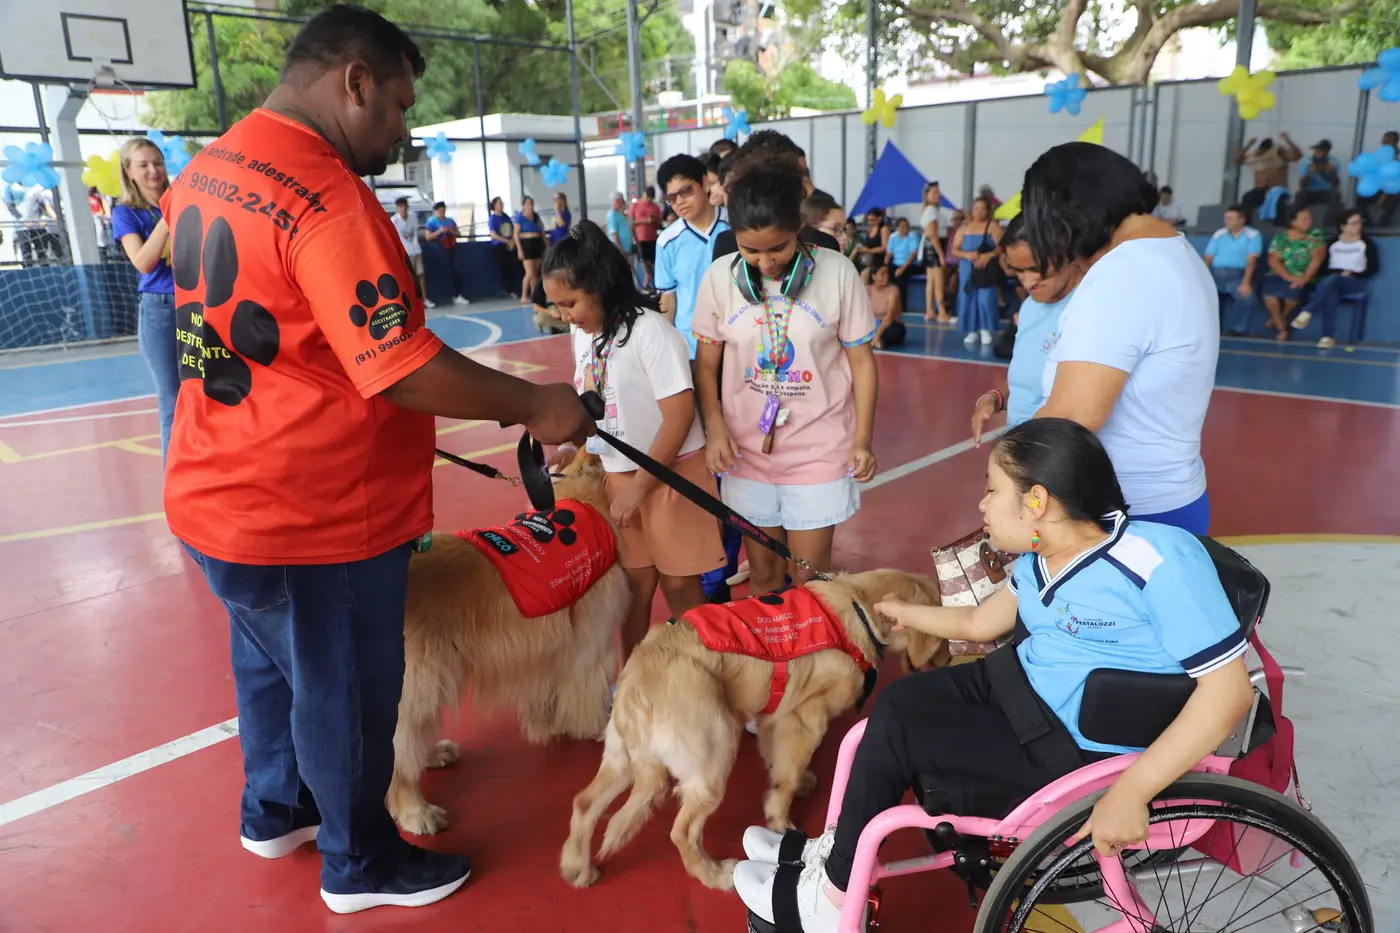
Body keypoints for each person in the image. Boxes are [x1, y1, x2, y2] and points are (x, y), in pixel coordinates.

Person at [160, 6, 593, 914]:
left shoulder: (214, 161)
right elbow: (399, 365)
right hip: (313, 512)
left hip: (214, 491)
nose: (400, 132)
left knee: (271, 666)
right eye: (396, 107)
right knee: (347, 691)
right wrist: (534, 402)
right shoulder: (325, 195)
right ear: (354, 82)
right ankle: (360, 860)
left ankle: (276, 806)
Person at [731, 418, 1255, 933]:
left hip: (1073, 745)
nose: (982, 504)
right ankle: (841, 850)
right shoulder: (1040, 557)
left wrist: (1132, 792)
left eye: (992, 489)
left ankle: (834, 896)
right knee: (897, 703)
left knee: (902, 734)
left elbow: (1228, 692)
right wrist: (905, 612)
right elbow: (979, 623)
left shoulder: (1160, 561)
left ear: (1037, 501)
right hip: (1021, 688)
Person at [692, 160, 878, 594]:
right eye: (750, 251)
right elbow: (706, 364)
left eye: (778, 248)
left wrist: (862, 438)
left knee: (811, 580)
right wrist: (715, 427)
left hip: (819, 451)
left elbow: (862, 362)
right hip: (744, 454)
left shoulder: (837, 272)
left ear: (799, 228)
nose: (765, 263)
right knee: (763, 577)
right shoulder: (719, 278)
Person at [543, 221, 726, 660]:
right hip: (620, 480)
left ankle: (704, 674)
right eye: (557, 306)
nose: (564, 315)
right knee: (633, 588)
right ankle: (631, 682)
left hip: (671, 477)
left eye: (570, 303)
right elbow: (596, 405)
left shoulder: (651, 331)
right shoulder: (584, 336)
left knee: (681, 587)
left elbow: (679, 416)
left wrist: (642, 487)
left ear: (600, 287)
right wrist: (575, 448)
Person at [1025, 142, 1216, 533]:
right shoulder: (1175, 253)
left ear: (1067, 218)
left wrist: (1008, 480)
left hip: (1124, 515)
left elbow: (1073, 415)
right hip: (1169, 500)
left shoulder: (1125, 272)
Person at [970, 214, 1080, 445]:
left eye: (1036, 269)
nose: (1028, 282)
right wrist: (994, 399)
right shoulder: (1030, 306)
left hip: (1054, 448)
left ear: (1067, 253)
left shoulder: (1087, 309)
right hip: (1022, 446)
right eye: (1018, 271)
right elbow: (1024, 378)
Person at [112, 136, 178, 461]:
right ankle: (174, 480)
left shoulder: (187, 199)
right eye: (144, 165)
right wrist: (169, 217)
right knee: (173, 400)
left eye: (158, 162)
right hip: (160, 310)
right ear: (129, 172)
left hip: (198, 306)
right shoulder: (125, 213)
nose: (153, 170)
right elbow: (142, 261)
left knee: (208, 395)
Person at [655, 153, 728, 356]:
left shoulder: (735, 226)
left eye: (685, 191)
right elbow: (667, 299)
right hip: (691, 345)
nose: (679, 202)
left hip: (735, 338)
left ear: (704, 183)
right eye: (672, 198)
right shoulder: (667, 241)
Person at [1290, 209, 1380, 348]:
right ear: (1343, 226)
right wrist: (1337, 273)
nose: (1358, 226)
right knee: (1330, 290)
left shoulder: (1366, 243)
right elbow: (1323, 269)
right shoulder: (1332, 243)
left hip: (1354, 282)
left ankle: (1307, 311)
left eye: (1360, 223)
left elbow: (1373, 268)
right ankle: (1327, 337)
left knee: (1331, 281)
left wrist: (1352, 273)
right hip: (1331, 281)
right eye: (1354, 223)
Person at [1258, 205, 1326, 340]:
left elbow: (1317, 259)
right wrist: (1289, 277)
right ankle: (1282, 328)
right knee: (1270, 298)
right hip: (1279, 275)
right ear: (1293, 222)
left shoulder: (1315, 236)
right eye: (1304, 219)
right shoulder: (1281, 238)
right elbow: (1273, 260)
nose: (1309, 222)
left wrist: (1304, 278)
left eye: (1310, 219)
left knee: (1291, 299)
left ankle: (1277, 319)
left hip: (1303, 277)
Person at [1202, 205, 1263, 336]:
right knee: (1203, 295)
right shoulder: (1219, 234)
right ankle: (1212, 329)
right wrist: (1202, 278)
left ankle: (1239, 329)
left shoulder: (1253, 235)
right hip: (1216, 274)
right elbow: (1208, 258)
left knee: (1246, 297)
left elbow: (1252, 261)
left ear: (1241, 220)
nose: (1227, 221)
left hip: (1238, 275)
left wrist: (1246, 283)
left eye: (1231, 218)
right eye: (1226, 218)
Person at [951, 195, 1002, 346]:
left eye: (982, 209)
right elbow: (954, 249)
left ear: (988, 211)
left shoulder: (993, 226)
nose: (979, 212)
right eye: (976, 209)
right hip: (967, 268)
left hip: (986, 268)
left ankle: (985, 329)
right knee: (968, 298)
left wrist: (988, 256)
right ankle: (971, 330)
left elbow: (1002, 247)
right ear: (971, 210)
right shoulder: (964, 227)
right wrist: (966, 255)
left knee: (985, 298)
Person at [918, 181, 954, 321]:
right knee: (938, 281)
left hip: (931, 246)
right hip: (934, 247)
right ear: (927, 195)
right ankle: (942, 313)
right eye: (934, 193)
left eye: (938, 192)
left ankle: (929, 310)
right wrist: (940, 255)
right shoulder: (931, 211)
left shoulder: (931, 210)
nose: (938, 195)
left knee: (931, 281)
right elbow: (933, 234)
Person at [390, 197, 426, 303]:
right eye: (400, 206)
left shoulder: (413, 217)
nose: (403, 209)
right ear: (397, 208)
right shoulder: (394, 220)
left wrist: (415, 247)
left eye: (404, 206)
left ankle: (424, 299)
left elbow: (415, 234)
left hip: (416, 250)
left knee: (421, 274)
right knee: (409, 277)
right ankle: (412, 300)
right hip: (405, 253)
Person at [514, 195, 547, 306]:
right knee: (529, 272)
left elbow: (542, 231)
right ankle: (524, 295)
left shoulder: (536, 216)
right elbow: (516, 235)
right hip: (526, 245)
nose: (530, 206)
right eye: (527, 204)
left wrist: (546, 244)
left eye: (531, 204)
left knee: (535, 273)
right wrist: (519, 249)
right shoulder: (519, 217)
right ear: (523, 206)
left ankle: (534, 295)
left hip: (537, 243)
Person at [884, 216, 920, 312]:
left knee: (900, 278)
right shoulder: (893, 237)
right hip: (895, 264)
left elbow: (913, 254)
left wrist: (902, 268)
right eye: (902, 226)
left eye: (906, 226)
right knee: (884, 275)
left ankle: (901, 308)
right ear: (897, 227)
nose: (905, 229)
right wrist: (884, 267)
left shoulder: (913, 236)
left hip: (909, 264)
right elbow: (889, 254)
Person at [865, 263, 905, 349]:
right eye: (882, 273)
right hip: (872, 324)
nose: (886, 276)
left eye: (887, 273)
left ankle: (874, 339)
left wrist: (877, 334)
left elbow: (890, 315)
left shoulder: (893, 290)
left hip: (889, 324)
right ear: (874, 276)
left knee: (893, 332)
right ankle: (874, 340)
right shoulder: (867, 289)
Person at [487, 196, 519, 298]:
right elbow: (493, 234)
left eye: (502, 203)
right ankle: (508, 290)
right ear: (495, 206)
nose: (502, 205)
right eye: (499, 203)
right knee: (504, 268)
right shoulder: (493, 218)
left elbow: (513, 229)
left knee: (512, 267)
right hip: (499, 246)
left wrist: (512, 241)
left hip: (509, 245)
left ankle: (514, 288)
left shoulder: (506, 217)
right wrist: (506, 241)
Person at [631, 185, 662, 288]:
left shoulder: (655, 207)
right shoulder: (635, 206)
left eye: (651, 198)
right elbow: (631, 222)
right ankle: (647, 281)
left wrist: (654, 221)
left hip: (652, 238)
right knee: (643, 260)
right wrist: (645, 221)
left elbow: (659, 223)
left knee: (652, 261)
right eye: (648, 197)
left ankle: (648, 284)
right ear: (644, 194)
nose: (649, 200)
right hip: (640, 238)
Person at [605, 190, 635, 279]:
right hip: (619, 251)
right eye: (621, 201)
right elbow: (614, 235)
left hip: (626, 250)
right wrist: (621, 251)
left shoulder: (620, 215)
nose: (623, 203)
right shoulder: (612, 215)